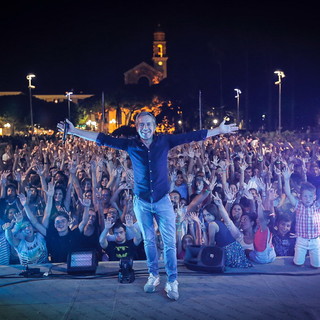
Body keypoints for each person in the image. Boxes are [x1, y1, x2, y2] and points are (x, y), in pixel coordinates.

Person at [58, 112, 238, 300]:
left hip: (162, 201)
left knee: (168, 244)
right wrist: (73, 131)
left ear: (154, 126)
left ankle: (172, 281)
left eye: (148, 124)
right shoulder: (131, 144)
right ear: (136, 127)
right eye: (141, 124)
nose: (145, 128)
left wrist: (218, 130)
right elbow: (103, 139)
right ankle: (153, 276)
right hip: (142, 202)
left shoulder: (165, 141)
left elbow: (192, 136)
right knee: (149, 241)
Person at [283, 166, 320, 267]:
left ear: (315, 197)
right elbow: (288, 193)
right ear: (301, 197)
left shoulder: (317, 205)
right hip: (301, 240)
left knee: (316, 265)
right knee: (298, 263)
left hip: (315, 240)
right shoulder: (298, 205)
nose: (308, 199)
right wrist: (286, 179)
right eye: (305, 196)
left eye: (310, 196)